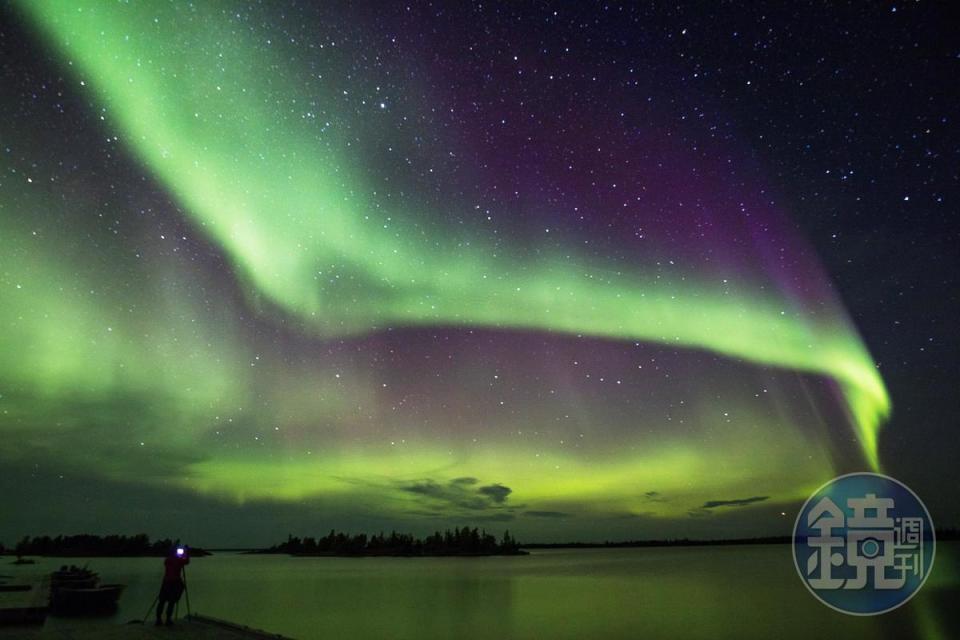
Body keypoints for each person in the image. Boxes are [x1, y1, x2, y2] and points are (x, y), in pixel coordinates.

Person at [155, 546, 190, 626]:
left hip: (166, 582)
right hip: (174, 582)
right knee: (171, 601)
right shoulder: (178, 560)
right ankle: (167, 619)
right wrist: (186, 553)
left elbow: (184, 561)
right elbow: (187, 561)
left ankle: (158, 619)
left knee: (162, 601)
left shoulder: (167, 560)